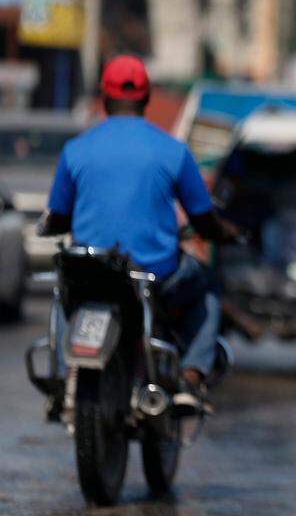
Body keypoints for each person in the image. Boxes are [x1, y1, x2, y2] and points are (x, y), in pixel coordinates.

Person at [41, 55, 241, 412]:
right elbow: (204, 219)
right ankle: (191, 379)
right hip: (154, 276)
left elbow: (57, 217)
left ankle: (62, 376)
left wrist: (55, 225)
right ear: (146, 99)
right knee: (207, 284)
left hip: (92, 272)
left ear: (104, 98)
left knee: (64, 293)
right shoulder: (172, 151)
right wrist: (226, 233)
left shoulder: (76, 150)